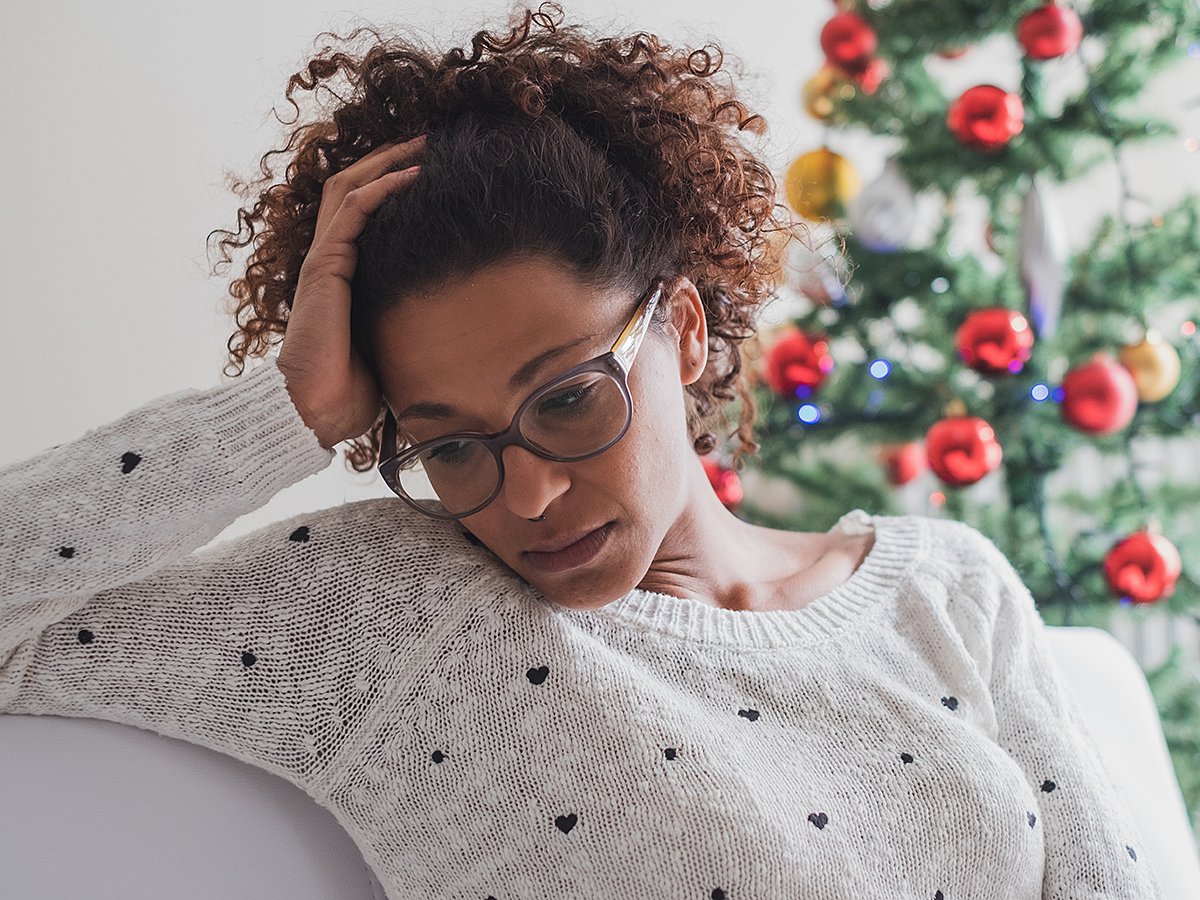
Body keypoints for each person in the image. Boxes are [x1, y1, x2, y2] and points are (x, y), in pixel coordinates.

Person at [0, 5, 1162, 898]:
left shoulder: (948, 585)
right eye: (451, 446)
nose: (530, 494)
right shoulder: (394, 612)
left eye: (564, 400)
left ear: (689, 330)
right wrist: (286, 413)